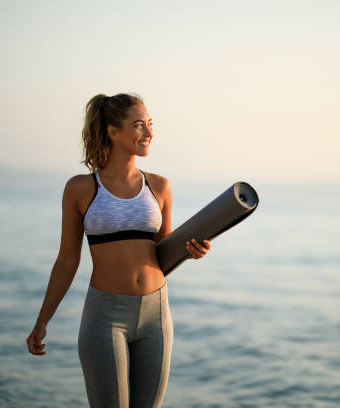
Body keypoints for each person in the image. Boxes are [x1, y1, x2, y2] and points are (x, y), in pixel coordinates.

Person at [26, 93, 211, 407]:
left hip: (157, 315)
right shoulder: (80, 189)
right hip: (105, 316)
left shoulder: (160, 187)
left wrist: (189, 251)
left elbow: (163, 254)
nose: (148, 133)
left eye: (150, 124)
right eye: (139, 125)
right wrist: (43, 320)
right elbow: (68, 260)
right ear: (113, 132)